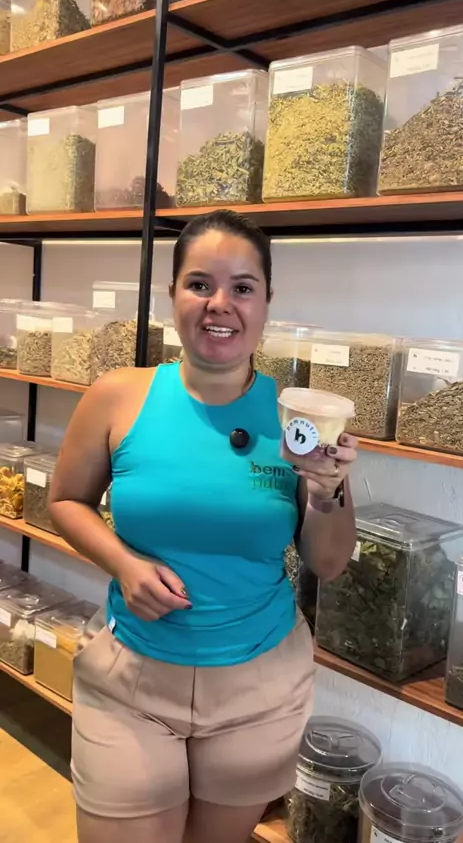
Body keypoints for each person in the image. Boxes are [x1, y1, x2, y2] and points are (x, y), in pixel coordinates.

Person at [49, 210, 358, 843]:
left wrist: (329, 491)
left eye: (243, 287)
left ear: (266, 301)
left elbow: (327, 562)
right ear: (172, 295)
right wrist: (124, 565)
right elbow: (66, 501)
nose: (220, 304)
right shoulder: (118, 395)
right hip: (131, 677)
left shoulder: (297, 419)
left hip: (259, 686)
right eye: (199, 284)